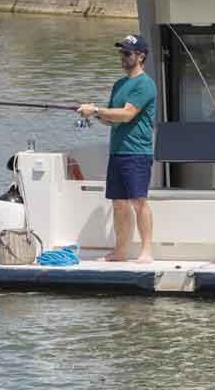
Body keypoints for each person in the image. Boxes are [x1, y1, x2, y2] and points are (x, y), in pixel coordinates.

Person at [77, 34, 157, 263]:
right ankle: (120, 251)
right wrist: (92, 113)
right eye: (121, 52)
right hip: (117, 151)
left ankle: (147, 251)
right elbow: (112, 119)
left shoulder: (145, 84)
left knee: (138, 201)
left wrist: (96, 110)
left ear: (140, 56)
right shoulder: (119, 84)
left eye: (127, 53)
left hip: (137, 152)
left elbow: (128, 113)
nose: (122, 57)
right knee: (119, 203)